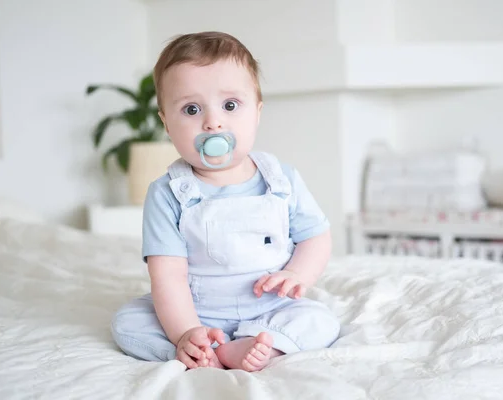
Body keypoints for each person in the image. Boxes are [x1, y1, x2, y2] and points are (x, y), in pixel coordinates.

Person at [111, 31, 341, 372]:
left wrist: (297, 273)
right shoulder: (168, 192)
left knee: (319, 319)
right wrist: (186, 331)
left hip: (270, 308)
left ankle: (261, 343)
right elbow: (167, 278)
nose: (213, 122)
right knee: (128, 321)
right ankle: (195, 350)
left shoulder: (281, 179)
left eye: (230, 105)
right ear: (166, 124)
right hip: (196, 310)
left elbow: (315, 236)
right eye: (191, 109)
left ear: (257, 112)